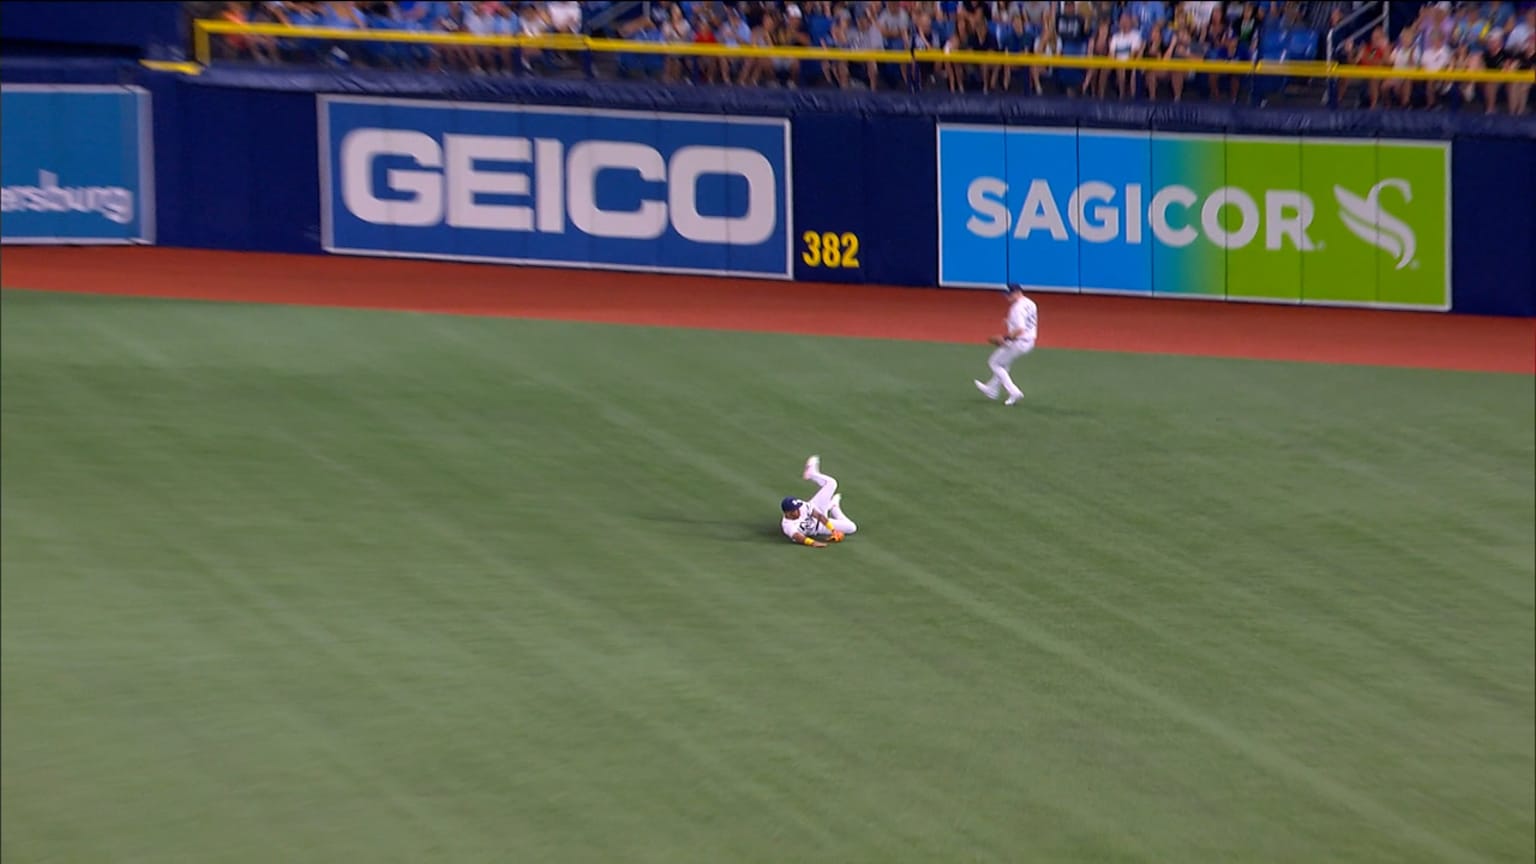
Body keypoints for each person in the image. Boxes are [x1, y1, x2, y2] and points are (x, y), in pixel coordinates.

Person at [973, 284, 1038, 406]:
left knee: (995, 363)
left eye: (1010, 294)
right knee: (1003, 364)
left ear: (1018, 292)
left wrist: (1005, 338)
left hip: (1018, 341)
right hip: (1029, 341)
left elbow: (1020, 329)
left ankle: (1014, 391)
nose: (1007, 297)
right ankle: (992, 389)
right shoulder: (1030, 303)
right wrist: (1009, 322)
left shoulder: (1017, 308)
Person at [780, 456, 858, 548]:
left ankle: (812, 473)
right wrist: (814, 543)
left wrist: (833, 530)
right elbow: (798, 537)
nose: (797, 511)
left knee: (831, 483)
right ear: (787, 513)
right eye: (794, 510)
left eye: (797, 508)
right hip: (820, 528)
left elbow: (819, 515)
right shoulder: (787, 525)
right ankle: (834, 507)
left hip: (817, 507)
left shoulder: (802, 507)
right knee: (852, 528)